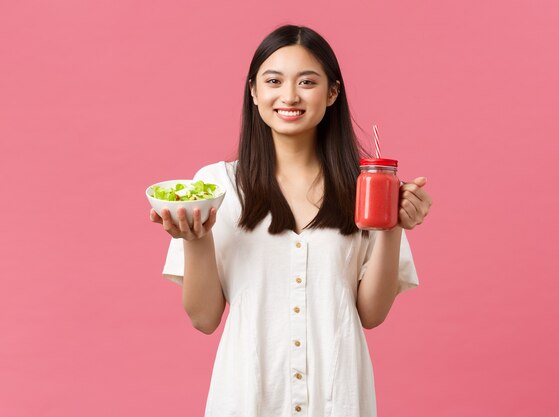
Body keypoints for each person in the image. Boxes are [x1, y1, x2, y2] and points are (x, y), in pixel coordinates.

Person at [149, 24, 432, 417]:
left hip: (338, 399)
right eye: (274, 80)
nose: (290, 96)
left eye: (307, 82)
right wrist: (197, 238)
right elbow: (204, 318)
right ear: (253, 91)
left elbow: (371, 314)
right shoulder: (214, 186)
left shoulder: (367, 187)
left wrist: (393, 224)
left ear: (333, 93)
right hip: (248, 398)